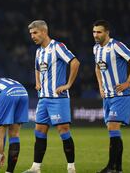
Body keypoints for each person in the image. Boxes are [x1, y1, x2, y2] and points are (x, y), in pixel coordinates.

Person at [23, 20, 80, 173]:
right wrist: (37, 82)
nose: (32, 36)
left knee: (63, 130)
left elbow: (75, 63)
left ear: (44, 32)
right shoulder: (39, 51)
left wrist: (68, 85)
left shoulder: (58, 47)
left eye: (35, 33)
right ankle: (36, 167)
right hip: (43, 98)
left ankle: (71, 167)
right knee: (39, 131)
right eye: (31, 34)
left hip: (58, 98)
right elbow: (37, 68)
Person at [92, 20, 130, 173]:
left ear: (107, 32)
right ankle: (117, 168)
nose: (96, 35)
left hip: (121, 95)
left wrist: (128, 82)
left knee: (113, 127)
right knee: (112, 130)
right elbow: (97, 67)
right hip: (107, 96)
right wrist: (100, 86)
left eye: (99, 32)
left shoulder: (116, 46)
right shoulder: (96, 49)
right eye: (94, 32)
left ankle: (111, 167)